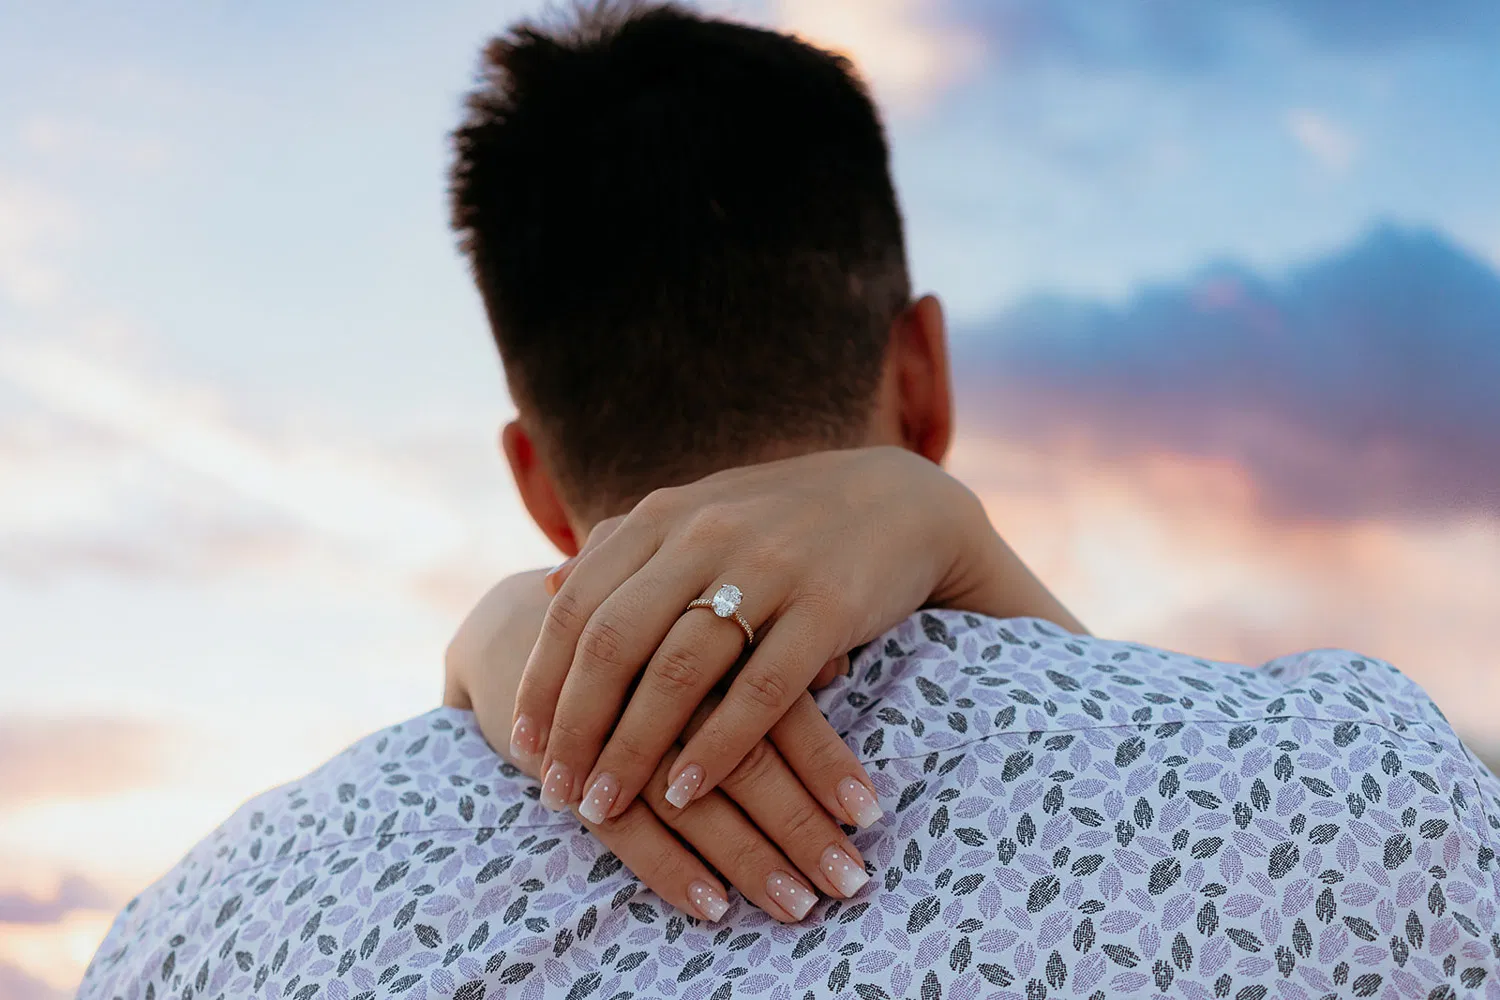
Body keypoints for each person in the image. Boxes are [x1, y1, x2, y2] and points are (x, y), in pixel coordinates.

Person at [78, 4, 1500, 1000]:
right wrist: (965, 541)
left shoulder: (183, 944)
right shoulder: (1357, 789)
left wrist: (497, 651)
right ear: (923, 370)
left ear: (538, 487)